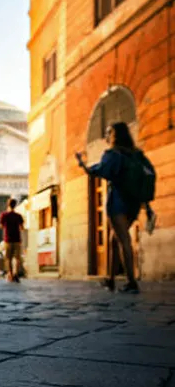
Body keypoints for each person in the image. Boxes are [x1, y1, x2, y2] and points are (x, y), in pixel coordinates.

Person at [76, 121, 143, 294]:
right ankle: (111, 280)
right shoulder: (135, 154)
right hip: (134, 202)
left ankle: (132, 282)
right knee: (115, 240)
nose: (106, 135)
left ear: (115, 135)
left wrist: (82, 164)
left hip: (118, 201)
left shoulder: (112, 154)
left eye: (109, 132)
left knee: (123, 240)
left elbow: (98, 171)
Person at [0, 199, 24, 283]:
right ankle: (16, 273)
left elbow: (1, 226)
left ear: (8, 205)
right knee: (17, 258)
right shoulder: (18, 215)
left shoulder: (4, 215)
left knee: (8, 258)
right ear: (15, 205)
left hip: (8, 239)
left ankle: (10, 274)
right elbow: (22, 227)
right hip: (17, 239)